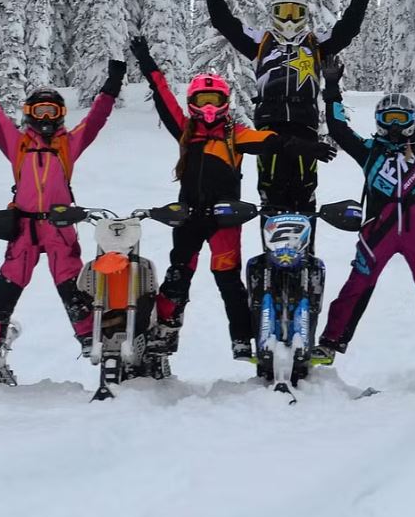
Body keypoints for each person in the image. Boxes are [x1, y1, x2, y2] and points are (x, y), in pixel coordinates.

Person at [130, 36, 334, 360]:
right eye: (202, 98)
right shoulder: (185, 131)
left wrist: (308, 147)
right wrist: (146, 61)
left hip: (225, 218)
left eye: (214, 98)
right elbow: (163, 96)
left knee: (228, 281)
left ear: (224, 101)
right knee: (177, 277)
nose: (209, 106)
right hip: (188, 217)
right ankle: (164, 333)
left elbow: (271, 141)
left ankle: (242, 340)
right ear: (193, 101)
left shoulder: (234, 134)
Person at [312, 57, 415, 364]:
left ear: (411, 120)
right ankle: (329, 343)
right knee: (357, 284)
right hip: (379, 226)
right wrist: (333, 88)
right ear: (379, 120)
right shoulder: (368, 151)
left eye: (400, 117)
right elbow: (338, 128)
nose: (394, 124)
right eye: (388, 117)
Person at [193, 0, 377, 218]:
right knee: (270, 190)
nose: (289, 19)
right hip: (270, 125)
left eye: (295, 12)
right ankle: (271, 246)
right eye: (283, 12)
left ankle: (306, 248)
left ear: (304, 14)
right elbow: (226, 24)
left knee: (305, 189)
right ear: (274, 13)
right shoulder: (260, 41)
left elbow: (346, 30)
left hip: (305, 125)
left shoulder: (315, 42)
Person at [0, 54, 125, 356]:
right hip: (24, 225)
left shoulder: (68, 144)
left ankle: (92, 340)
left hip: (59, 225)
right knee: (10, 283)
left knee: (71, 283)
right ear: (30, 114)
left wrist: (112, 85)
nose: (46, 117)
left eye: (51, 111)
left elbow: (95, 120)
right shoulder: (19, 144)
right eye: (40, 111)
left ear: (60, 114)